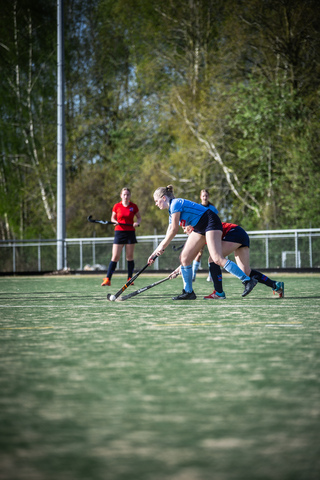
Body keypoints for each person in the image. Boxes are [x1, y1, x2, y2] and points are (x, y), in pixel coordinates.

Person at [148, 185, 257, 300]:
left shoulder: (175, 203)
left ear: (164, 198)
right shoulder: (171, 211)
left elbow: (174, 230)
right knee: (184, 258)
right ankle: (188, 292)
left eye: (156, 201)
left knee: (216, 258)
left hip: (210, 221)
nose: (156, 204)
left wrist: (162, 247)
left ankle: (247, 281)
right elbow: (169, 231)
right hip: (199, 227)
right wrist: (155, 253)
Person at [184, 224, 284, 299]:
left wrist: (182, 266)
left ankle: (218, 292)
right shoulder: (199, 233)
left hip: (234, 232)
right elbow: (192, 254)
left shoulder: (200, 230)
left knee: (213, 259)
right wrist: (180, 268)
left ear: (191, 227)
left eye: (185, 228)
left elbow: (191, 255)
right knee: (246, 272)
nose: (184, 231)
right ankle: (276, 285)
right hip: (240, 233)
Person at [101, 187, 141, 286]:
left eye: (127, 194)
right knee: (115, 257)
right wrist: (115, 222)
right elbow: (113, 218)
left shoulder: (133, 206)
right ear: (121, 195)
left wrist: (137, 223)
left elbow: (139, 217)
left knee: (129, 257)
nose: (126, 196)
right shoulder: (117, 206)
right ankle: (108, 279)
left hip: (130, 232)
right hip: (119, 232)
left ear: (130, 196)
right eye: (124, 194)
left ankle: (130, 279)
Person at [192, 189, 217, 282]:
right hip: (201, 233)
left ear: (208, 196)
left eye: (206, 196)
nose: (205, 197)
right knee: (199, 254)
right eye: (203, 196)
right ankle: (193, 275)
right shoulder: (197, 207)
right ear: (200, 197)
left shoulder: (213, 208)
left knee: (213, 254)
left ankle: (211, 275)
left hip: (211, 233)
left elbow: (217, 221)